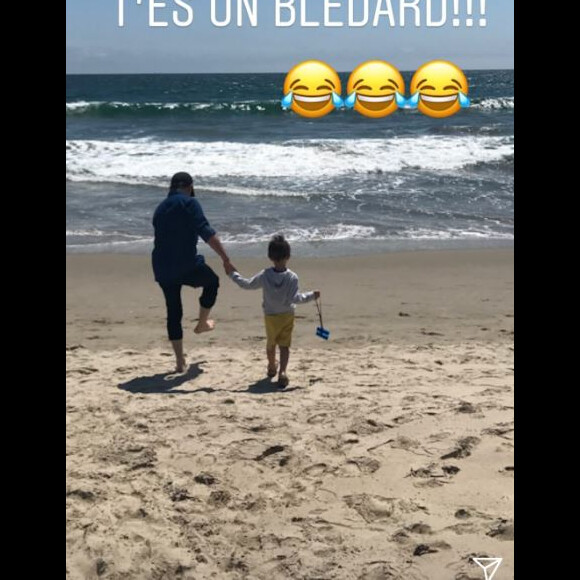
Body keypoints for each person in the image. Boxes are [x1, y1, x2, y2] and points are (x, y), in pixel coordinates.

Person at [152, 172, 232, 372]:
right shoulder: (189, 203)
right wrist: (225, 259)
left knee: (174, 311)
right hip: (186, 265)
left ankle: (180, 362)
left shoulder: (160, 208)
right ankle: (202, 323)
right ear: (189, 186)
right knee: (212, 282)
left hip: (162, 266)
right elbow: (207, 233)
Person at [225, 235, 320, 387]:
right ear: (288, 256)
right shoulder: (292, 277)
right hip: (287, 315)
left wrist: (232, 274)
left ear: (270, 257)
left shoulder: (265, 275)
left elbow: (247, 284)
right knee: (284, 346)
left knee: (271, 344)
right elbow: (296, 298)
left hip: (270, 317)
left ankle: (271, 366)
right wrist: (312, 296)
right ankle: (282, 371)